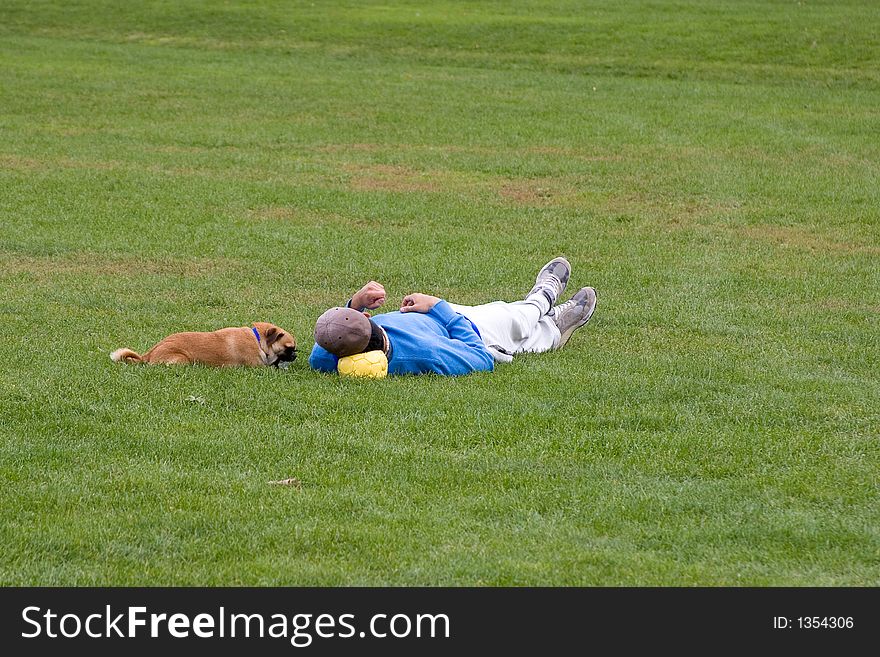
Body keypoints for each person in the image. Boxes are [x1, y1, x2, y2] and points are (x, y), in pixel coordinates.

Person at [309, 257, 597, 376]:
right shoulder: (426, 353)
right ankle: (542, 299)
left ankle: (554, 328)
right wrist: (437, 305)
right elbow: (480, 358)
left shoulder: (324, 355)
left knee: (526, 334)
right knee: (513, 319)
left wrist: (356, 302)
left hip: (434, 318)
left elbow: (336, 331)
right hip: (468, 331)